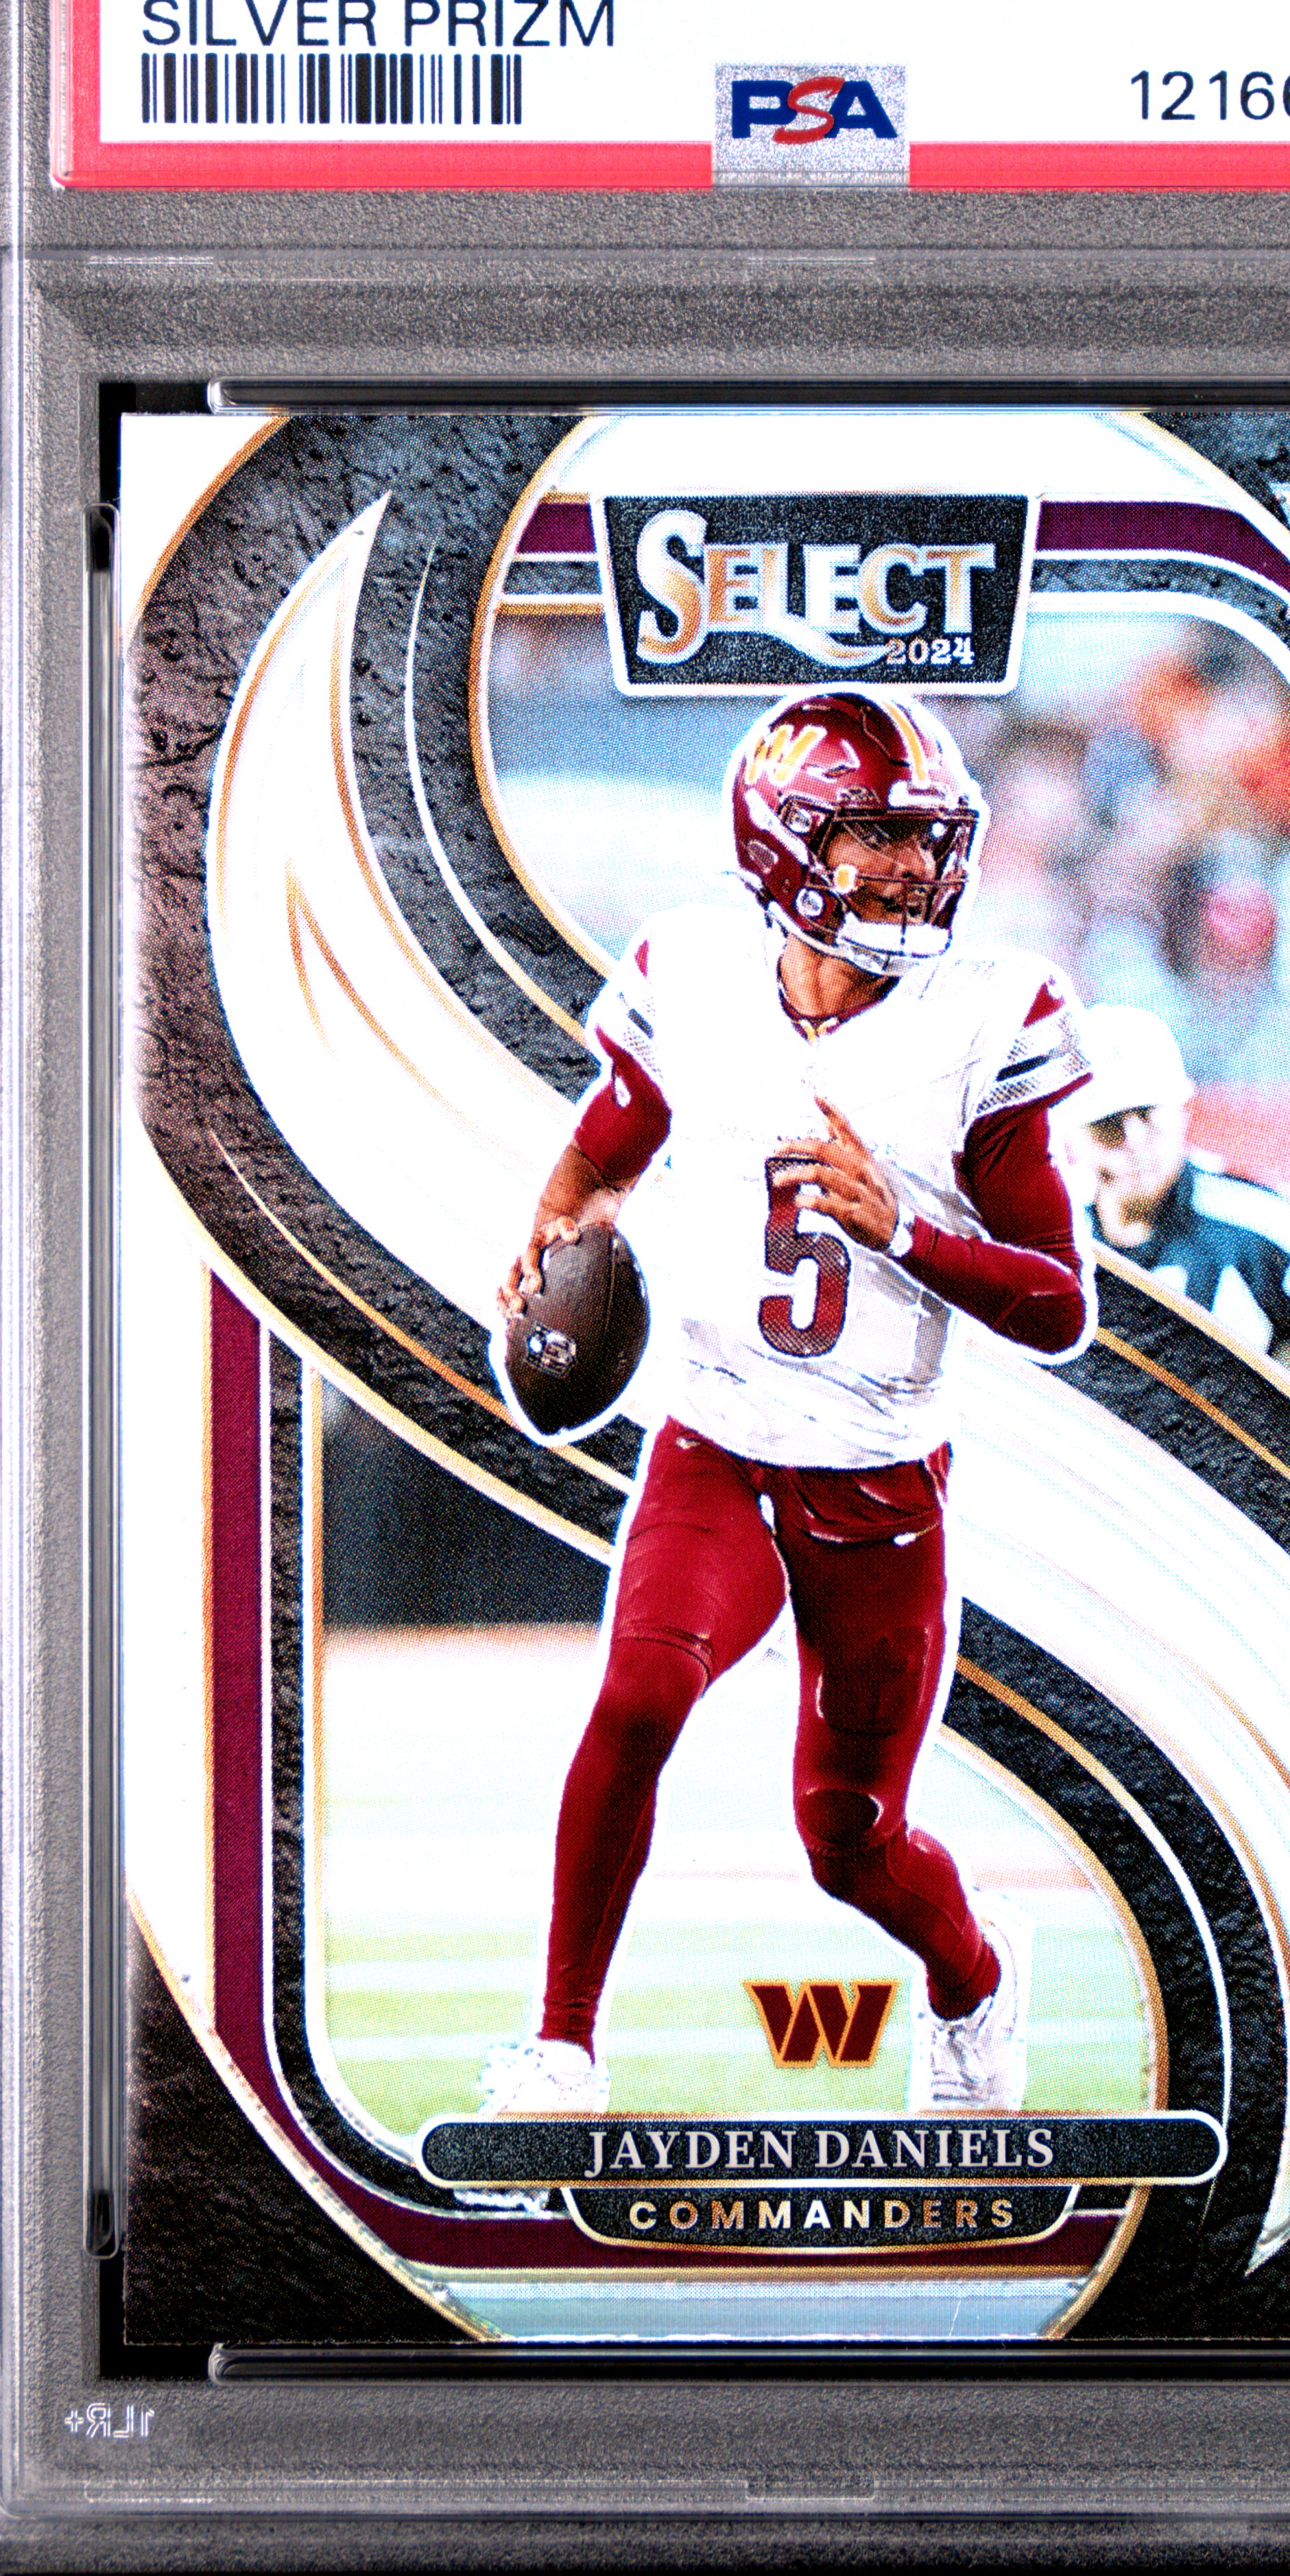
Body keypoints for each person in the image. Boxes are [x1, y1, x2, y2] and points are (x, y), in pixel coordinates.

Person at [480, 687, 1092, 2121]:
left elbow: (1060, 1304)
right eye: (874, 837)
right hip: (717, 1438)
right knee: (639, 1693)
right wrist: (559, 1227)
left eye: (924, 840)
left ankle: (973, 1980)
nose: (910, 869)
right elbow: (607, 1145)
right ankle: (561, 2047)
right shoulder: (693, 976)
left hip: (877, 1474)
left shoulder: (983, 1018)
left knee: (850, 1840)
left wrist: (905, 1231)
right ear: (784, 842)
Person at [1065, 1005, 1290, 1382]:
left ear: (1183, 1109)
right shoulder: (1043, 1236)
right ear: (1068, 1135)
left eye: (1148, 1113)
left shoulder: (1264, 1228)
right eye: (1108, 1124)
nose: (1136, 1142)